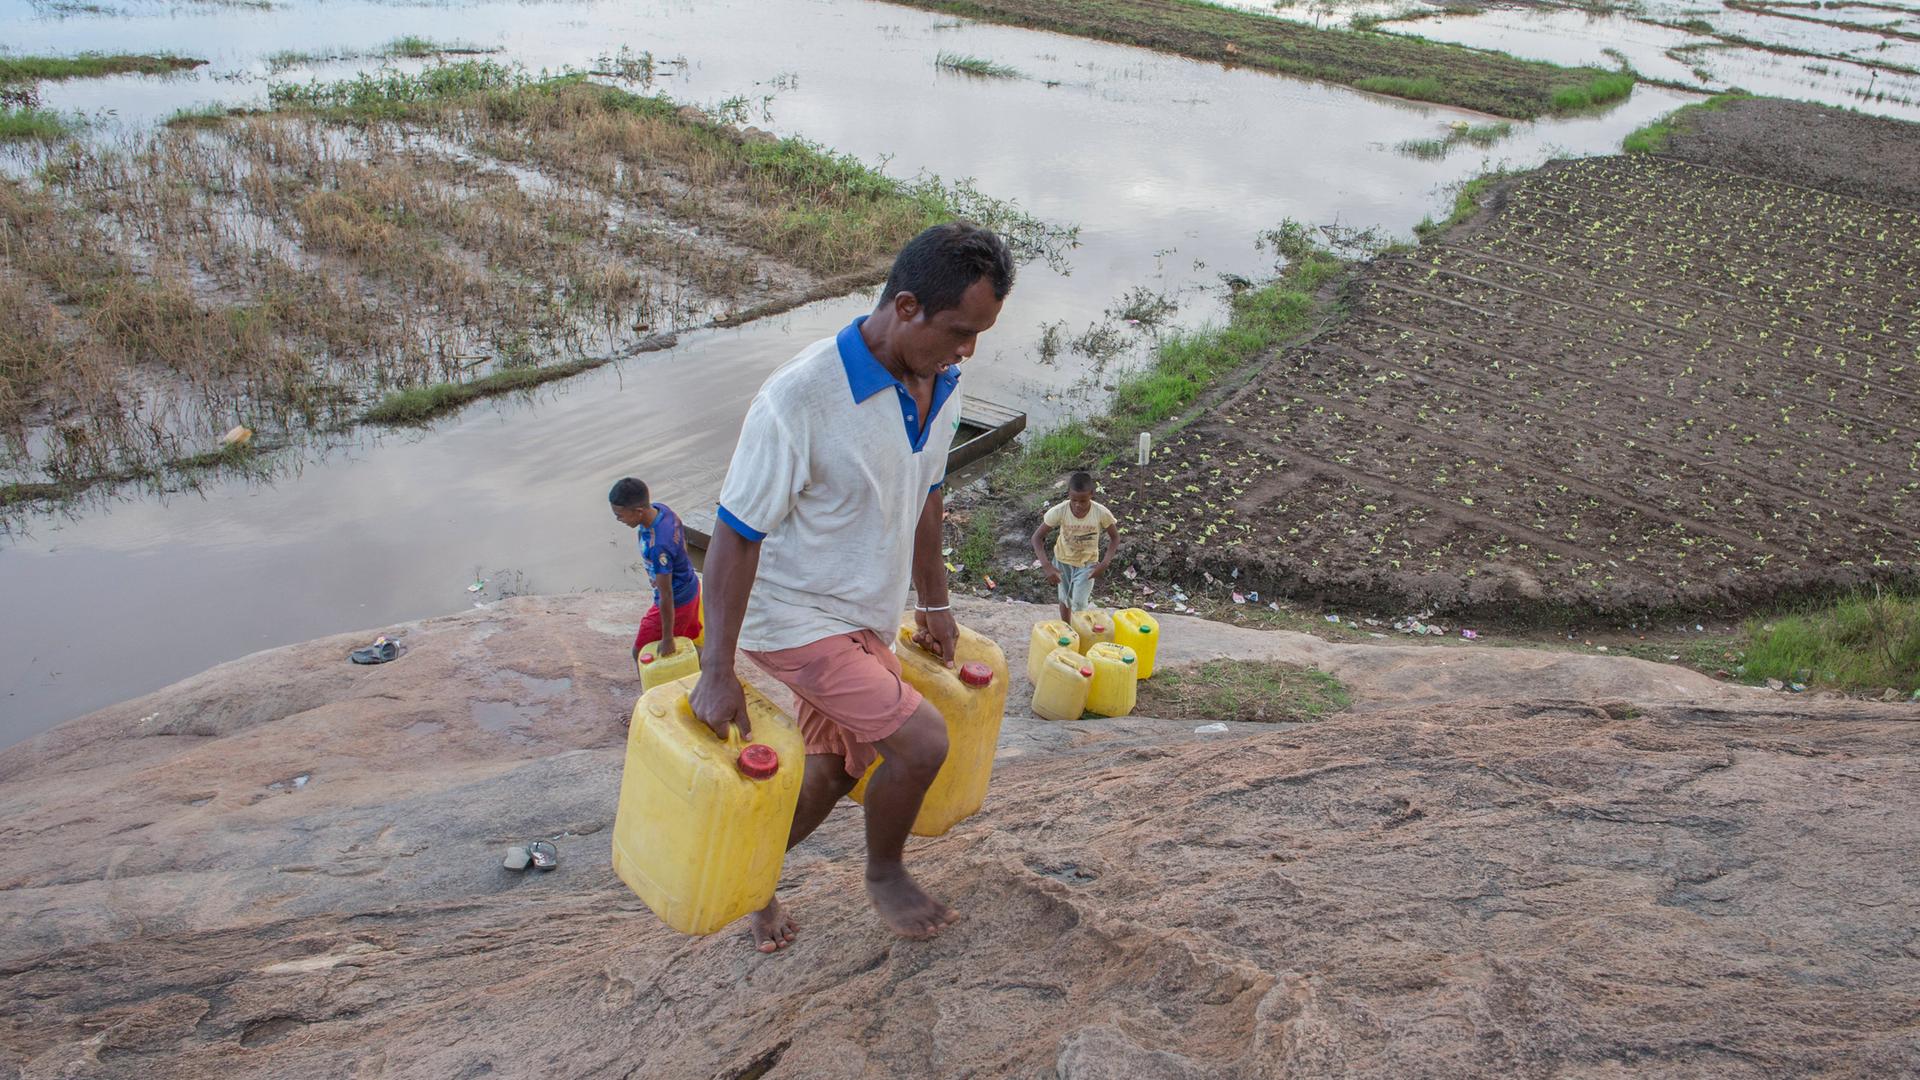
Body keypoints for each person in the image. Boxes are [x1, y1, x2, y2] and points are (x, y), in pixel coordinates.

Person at [689, 221, 1015, 951]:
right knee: (921, 743)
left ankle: (751, 881)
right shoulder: (798, 400)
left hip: (863, 611)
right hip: (793, 617)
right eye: (960, 331)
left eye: (980, 334)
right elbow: (736, 535)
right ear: (906, 307)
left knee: (835, 770)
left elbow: (927, 494)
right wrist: (716, 672)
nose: (968, 350)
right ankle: (885, 873)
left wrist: (933, 601)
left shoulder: (941, 383)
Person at [609, 478, 702, 666]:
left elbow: (666, 594)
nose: (618, 519)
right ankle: (708, 670)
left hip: (677, 601)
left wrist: (667, 638)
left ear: (638, 511)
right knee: (688, 642)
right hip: (690, 587)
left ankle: (713, 667)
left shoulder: (658, 545)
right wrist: (664, 572)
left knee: (640, 651)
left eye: (620, 515)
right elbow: (681, 542)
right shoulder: (662, 510)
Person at [1032, 471, 1121, 622]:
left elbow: (1115, 537)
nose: (1078, 505)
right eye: (1074, 500)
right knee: (1065, 598)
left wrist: (1104, 563)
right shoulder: (1059, 511)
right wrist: (1047, 566)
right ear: (1068, 495)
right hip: (1062, 561)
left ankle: (1080, 632)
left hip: (1087, 563)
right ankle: (1067, 629)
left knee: (1079, 603)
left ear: (1091, 494)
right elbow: (1036, 538)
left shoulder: (1101, 513)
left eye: (1083, 501)